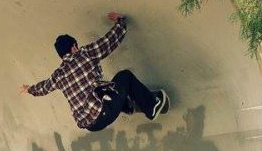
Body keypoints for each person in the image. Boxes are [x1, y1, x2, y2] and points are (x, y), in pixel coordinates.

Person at [20, 12, 169, 131]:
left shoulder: (58, 75)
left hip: (90, 125)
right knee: (124, 77)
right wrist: (121, 21)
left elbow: (43, 88)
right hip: (103, 112)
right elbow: (109, 42)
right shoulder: (83, 54)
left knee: (107, 87)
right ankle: (151, 107)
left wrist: (29, 90)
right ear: (74, 47)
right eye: (76, 46)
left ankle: (127, 105)